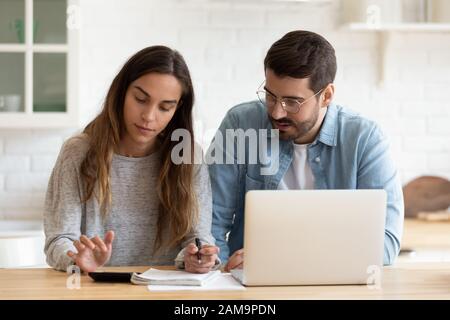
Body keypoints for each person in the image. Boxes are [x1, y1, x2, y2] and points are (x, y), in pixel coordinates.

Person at [207, 30, 404, 271]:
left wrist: (281, 259)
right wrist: (219, 270)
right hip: (250, 285)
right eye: (270, 96)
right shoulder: (240, 123)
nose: (277, 113)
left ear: (327, 96)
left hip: (334, 286)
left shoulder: (365, 139)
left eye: (292, 102)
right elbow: (210, 223)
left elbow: (386, 245)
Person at [44, 45, 219, 274]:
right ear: (122, 92)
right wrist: (78, 260)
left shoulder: (189, 156)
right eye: (140, 99)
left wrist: (198, 256)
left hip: (170, 291)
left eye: (165, 107)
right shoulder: (78, 153)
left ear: (177, 109)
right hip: (98, 291)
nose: (149, 116)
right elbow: (59, 239)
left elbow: (197, 237)